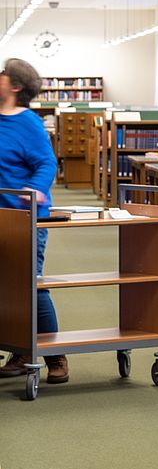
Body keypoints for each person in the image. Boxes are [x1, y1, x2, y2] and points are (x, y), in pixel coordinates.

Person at [0, 59, 66, 384]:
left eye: (3, 75)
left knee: (31, 285)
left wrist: (36, 189)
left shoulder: (28, 123)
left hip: (24, 217)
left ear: (14, 86)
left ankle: (55, 356)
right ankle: (22, 351)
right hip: (1, 216)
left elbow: (46, 163)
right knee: (6, 287)